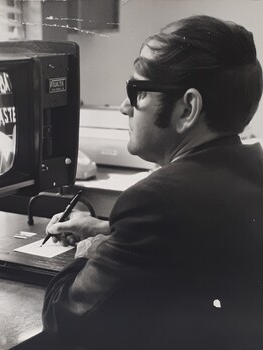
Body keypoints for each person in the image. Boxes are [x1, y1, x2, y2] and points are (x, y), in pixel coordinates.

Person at [42, 15, 263, 350]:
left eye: (137, 91)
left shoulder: (154, 201)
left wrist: (91, 250)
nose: (124, 107)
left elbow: (66, 322)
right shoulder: (252, 169)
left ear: (188, 108)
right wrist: (111, 232)